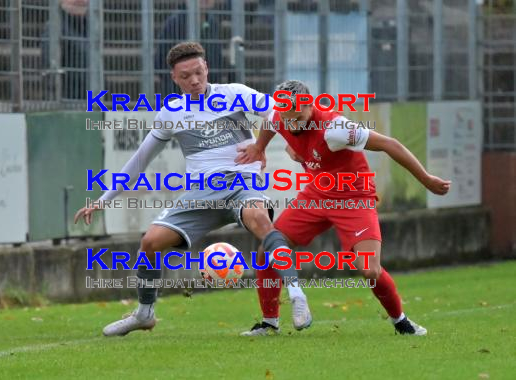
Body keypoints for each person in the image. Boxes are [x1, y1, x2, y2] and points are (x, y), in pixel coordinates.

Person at [74, 43, 311, 337]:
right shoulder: (170, 113)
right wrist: (102, 201)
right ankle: (144, 314)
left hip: (241, 183)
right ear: (174, 78)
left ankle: (297, 295)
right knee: (150, 242)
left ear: (207, 68)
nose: (194, 80)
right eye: (186, 76)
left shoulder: (234, 93)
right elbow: (138, 162)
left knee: (261, 221)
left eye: (198, 72)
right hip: (201, 194)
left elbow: (279, 111)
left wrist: (267, 145)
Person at [236, 80, 451, 336]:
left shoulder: (335, 128)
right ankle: (269, 323)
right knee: (267, 250)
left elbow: (389, 144)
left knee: (369, 269)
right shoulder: (281, 113)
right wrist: (259, 148)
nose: (293, 125)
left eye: (298, 117)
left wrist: (426, 179)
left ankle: (402, 322)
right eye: (288, 118)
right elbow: (271, 124)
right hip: (317, 194)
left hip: (354, 198)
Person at [155, 0, 225, 100]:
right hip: (177, 91)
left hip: (207, 90)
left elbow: (216, 56)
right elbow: (161, 59)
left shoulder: (213, 22)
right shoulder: (174, 22)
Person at [40, 0, 89, 101]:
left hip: (89, 99)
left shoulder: (88, 26)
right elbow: (50, 68)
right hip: (69, 101)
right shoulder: (55, 27)